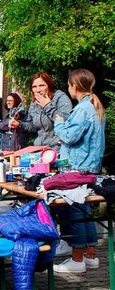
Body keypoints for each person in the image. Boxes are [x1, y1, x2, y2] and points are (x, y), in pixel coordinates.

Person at [52, 68, 105, 274]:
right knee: (84, 211)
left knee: (75, 209)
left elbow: (70, 136)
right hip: (89, 167)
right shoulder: (93, 105)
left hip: (78, 168)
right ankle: (90, 256)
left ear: (75, 86)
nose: (68, 87)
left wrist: (59, 123)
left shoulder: (83, 109)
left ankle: (77, 259)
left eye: (68, 84)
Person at [10, 72, 72, 149]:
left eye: (41, 85)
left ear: (49, 86)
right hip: (40, 148)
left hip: (58, 149)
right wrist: (19, 124)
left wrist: (47, 105)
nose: (38, 90)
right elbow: (33, 126)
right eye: (34, 87)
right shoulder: (34, 103)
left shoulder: (60, 98)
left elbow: (66, 121)